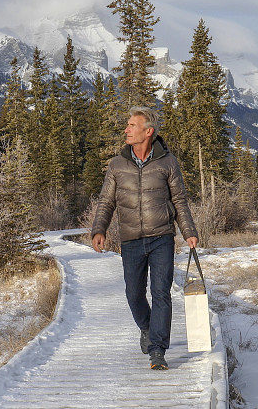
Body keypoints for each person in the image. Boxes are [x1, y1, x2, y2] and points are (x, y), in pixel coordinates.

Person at [91, 106, 199, 370]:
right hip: (130, 240)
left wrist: (189, 232)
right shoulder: (117, 164)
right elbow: (106, 200)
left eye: (131, 125)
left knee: (161, 292)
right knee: (133, 294)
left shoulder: (167, 162)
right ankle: (148, 328)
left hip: (162, 236)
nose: (126, 130)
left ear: (148, 131)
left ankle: (158, 350)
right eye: (127, 125)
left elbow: (180, 201)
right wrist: (99, 229)